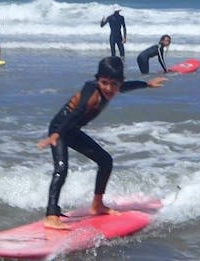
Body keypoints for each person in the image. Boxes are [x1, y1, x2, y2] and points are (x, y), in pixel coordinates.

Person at [37, 56, 167, 229]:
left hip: (73, 130)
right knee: (61, 168)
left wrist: (147, 84)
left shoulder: (114, 87)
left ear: (120, 82)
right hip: (60, 128)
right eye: (104, 82)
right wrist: (56, 134)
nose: (109, 88)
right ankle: (51, 215)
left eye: (114, 84)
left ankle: (97, 204)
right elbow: (77, 111)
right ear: (98, 80)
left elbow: (125, 87)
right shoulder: (91, 92)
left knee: (106, 161)